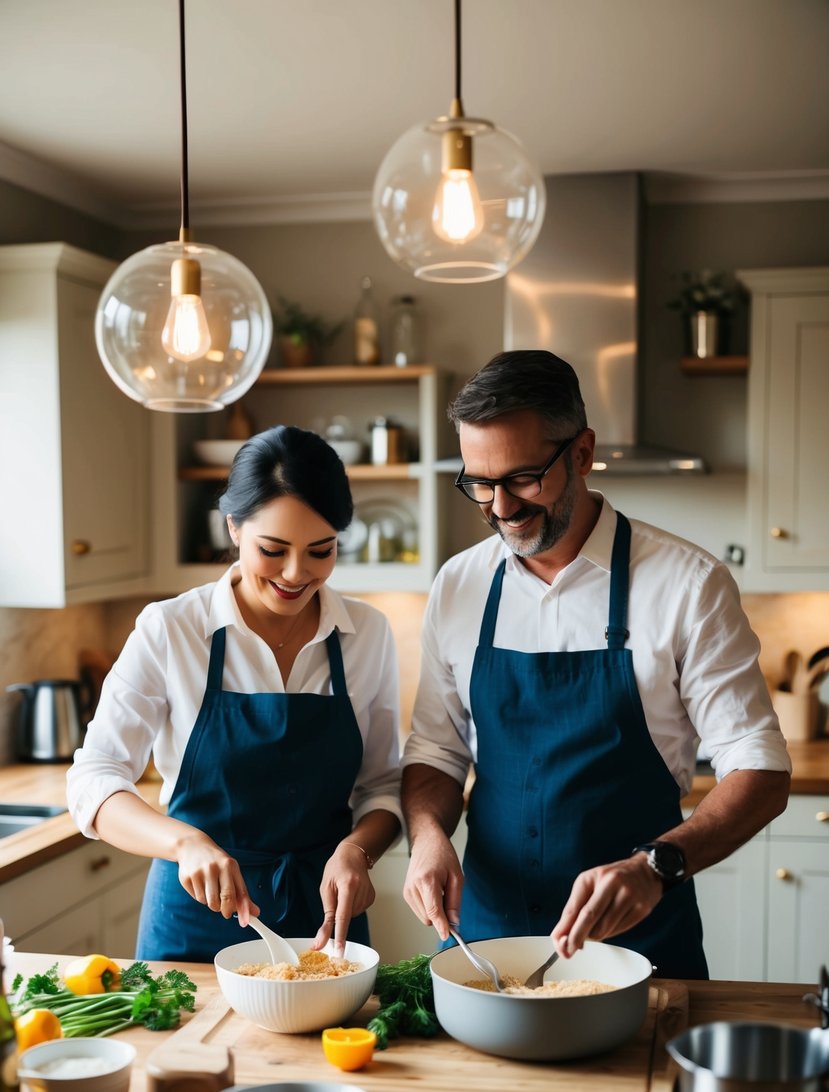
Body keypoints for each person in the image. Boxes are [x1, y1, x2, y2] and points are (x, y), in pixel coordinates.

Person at [401, 350, 791, 979]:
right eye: (480, 483)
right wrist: (426, 838)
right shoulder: (459, 585)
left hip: (639, 949)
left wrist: (655, 865)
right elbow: (436, 753)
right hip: (485, 945)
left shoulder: (687, 583)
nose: (501, 508)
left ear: (581, 453)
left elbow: (762, 769)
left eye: (524, 478)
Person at [68, 425, 402, 962]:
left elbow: (384, 786)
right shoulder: (171, 628)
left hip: (325, 923)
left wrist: (358, 852)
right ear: (234, 528)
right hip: (194, 920)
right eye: (273, 550)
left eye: (322, 551)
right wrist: (184, 843)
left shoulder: (367, 634)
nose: (297, 574)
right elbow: (94, 779)